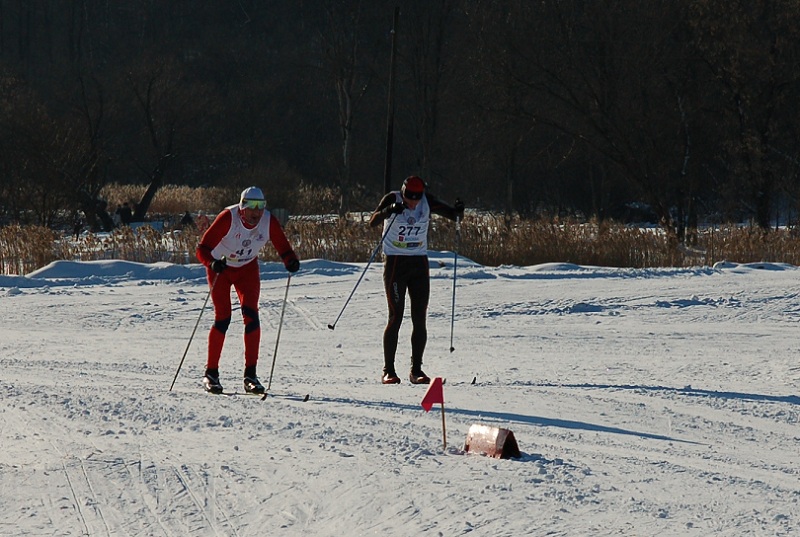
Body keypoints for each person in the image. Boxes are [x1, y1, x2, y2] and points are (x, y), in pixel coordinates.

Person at [195, 186, 300, 394]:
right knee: (223, 318)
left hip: (247, 269)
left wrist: (290, 261)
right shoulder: (228, 218)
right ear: (242, 207)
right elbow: (202, 249)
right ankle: (211, 374)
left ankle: (250, 375)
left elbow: (284, 247)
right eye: (252, 206)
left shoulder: (268, 221)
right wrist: (212, 263)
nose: (256, 212)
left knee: (251, 316)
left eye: (261, 207)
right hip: (221, 269)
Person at [369, 175, 464, 385]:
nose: (412, 203)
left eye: (416, 198)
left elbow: (454, 216)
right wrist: (388, 211)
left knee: (419, 317)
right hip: (395, 264)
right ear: (402, 193)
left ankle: (416, 370)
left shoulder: (426, 201)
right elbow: (372, 222)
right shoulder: (392, 198)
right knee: (396, 316)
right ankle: (389, 370)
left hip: (418, 263)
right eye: (408, 198)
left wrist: (459, 210)